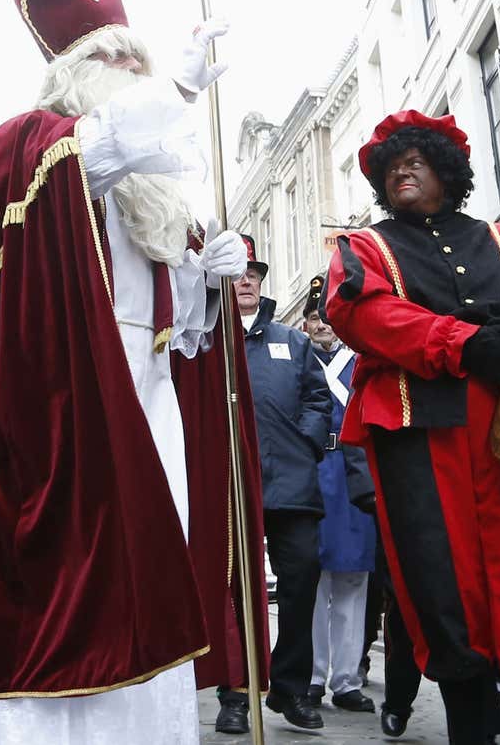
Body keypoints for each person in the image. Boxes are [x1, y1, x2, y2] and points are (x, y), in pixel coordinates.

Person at [0, 0, 263, 744]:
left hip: (149, 391)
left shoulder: (151, 185)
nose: (129, 68)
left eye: (137, 58)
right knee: (77, 569)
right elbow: (90, 158)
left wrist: (204, 276)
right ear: (75, 71)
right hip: (71, 394)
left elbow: (175, 326)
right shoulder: (33, 141)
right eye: (113, 57)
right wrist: (176, 91)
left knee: (152, 561)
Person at [325, 110, 500, 745]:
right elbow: (364, 313)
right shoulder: (366, 248)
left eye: (415, 161)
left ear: (447, 171)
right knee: (440, 587)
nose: (402, 171)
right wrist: (464, 342)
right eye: (391, 167)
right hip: (419, 431)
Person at [214, 239, 330, 732]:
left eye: (252, 272)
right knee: (237, 591)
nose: (245, 280)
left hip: (291, 483)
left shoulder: (293, 340)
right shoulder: (206, 342)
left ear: (261, 280)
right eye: (236, 273)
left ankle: (290, 687)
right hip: (231, 484)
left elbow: (318, 399)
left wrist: (303, 441)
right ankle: (236, 692)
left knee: (302, 580)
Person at [301, 275, 378, 716]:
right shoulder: (296, 358)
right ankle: (314, 675)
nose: (321, 324)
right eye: (314, 318)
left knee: (353, 578)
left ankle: (347, 680)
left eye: (327, 317)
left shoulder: (361, 360)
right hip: (313, 472)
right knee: (314, 581)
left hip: (355, 478)